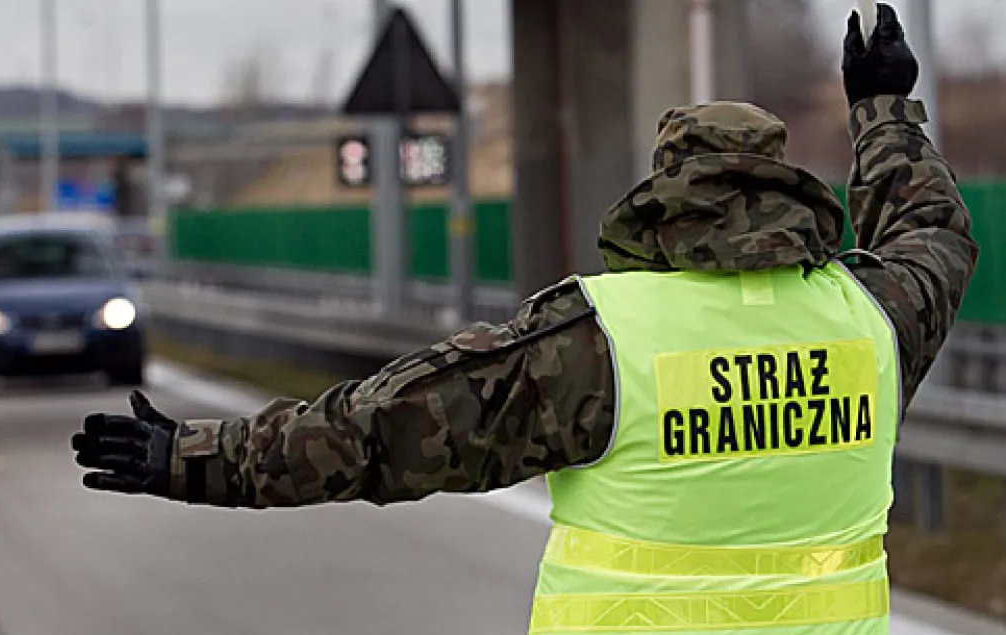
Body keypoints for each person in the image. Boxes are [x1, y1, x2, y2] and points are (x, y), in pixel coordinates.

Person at [71, 4, 977, 633]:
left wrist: (198, 457)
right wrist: (883, 109)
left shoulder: (602, 341)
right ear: (784, 188)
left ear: (662, 198)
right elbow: (931, 230)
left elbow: (382, 428)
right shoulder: (870, 320)